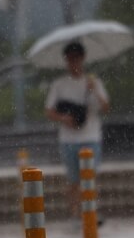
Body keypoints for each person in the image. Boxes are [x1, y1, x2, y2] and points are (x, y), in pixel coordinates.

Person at [44, 42, 110, 222]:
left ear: (82, 59)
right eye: (70, 59)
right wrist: (64, 119)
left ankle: (90, 211)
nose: (74, 62)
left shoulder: (94, 82)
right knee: (73, 179)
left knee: (89, 176)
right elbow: (49, 110)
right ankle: (75, 213)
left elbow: (105, 107)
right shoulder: (59, 84)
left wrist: (93, 89)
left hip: (91, 136)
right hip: (69, 139)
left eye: (77, 58)